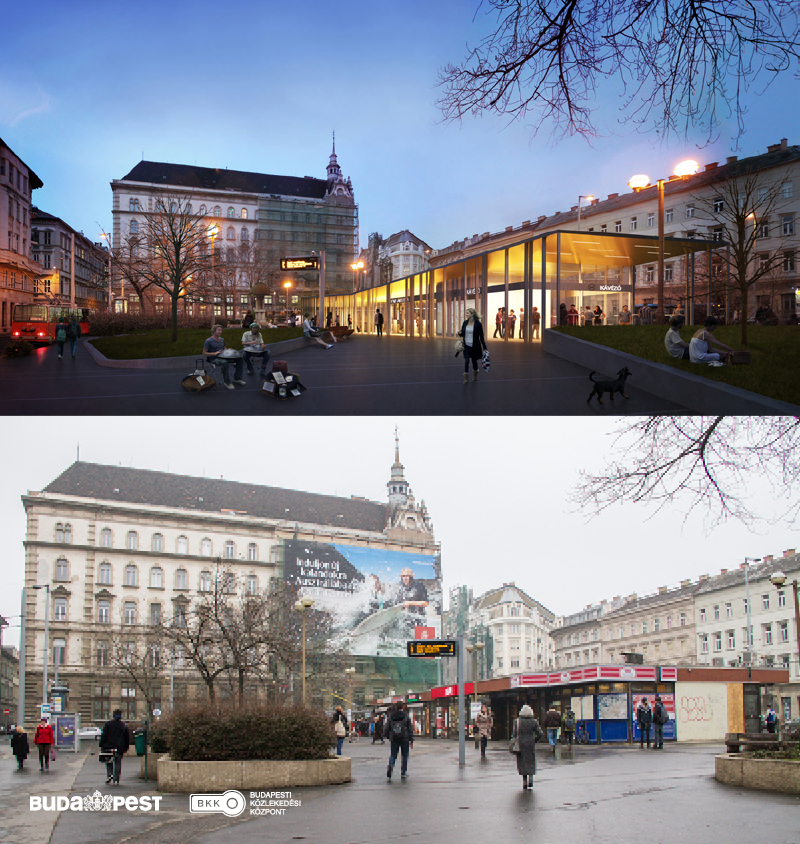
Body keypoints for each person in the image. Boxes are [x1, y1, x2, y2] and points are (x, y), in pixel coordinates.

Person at [203, 324, 245, 390]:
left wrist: (228, 350)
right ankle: (227, 382)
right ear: (214, 331)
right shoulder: (208, 341)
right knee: (224, 362)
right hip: (214, 358)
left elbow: (224, 348)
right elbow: (204, 353)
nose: (220, 332)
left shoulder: (222, 339)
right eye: (218, 330)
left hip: (223, 357)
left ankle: (237, 378)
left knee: (240, 358)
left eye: (221, 330)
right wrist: (215, 353)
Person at [511, 704, 543, 790]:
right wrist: (534, 740)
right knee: (530, 761)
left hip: (520, 744)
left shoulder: (517, 722)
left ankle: (524, 781)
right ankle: (531, 778)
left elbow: (514, 734)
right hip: (530, 744)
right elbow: (540, 733)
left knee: (522, 762)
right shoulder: (534, 721)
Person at [457, 307, 487, 383]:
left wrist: (484, 347)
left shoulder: (478, 324)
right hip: (466, 345)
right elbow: (463, 334)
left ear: (472, 314)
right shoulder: (465, 323)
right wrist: (460, 333)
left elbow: (481, 337)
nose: (466, 314)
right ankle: (466, 378)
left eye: (467, 313)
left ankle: (475, 375)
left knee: (474, 361)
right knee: (466, 360)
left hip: (475, 346)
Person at [100, 709, 130, 784]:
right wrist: (126, 748)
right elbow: (127, 738)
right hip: (119, 747)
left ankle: (109, 775)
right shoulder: (123, 726)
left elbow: (104, 736)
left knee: (108, 761)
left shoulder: (108, 724)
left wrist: (101, 745)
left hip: (108, 747)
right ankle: (116, 778)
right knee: (118, 763)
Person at [386, 700, 413, 780]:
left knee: (393, 755)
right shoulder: (406, 716)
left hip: (394, 738)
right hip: (404, 738)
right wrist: (411, 740)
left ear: (395, 707)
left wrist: (388, 736)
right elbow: (410, 729)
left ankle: (391, 765)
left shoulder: (391, 716)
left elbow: (387, 727)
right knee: (404, 755)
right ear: (403, 707)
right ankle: (403, 772)